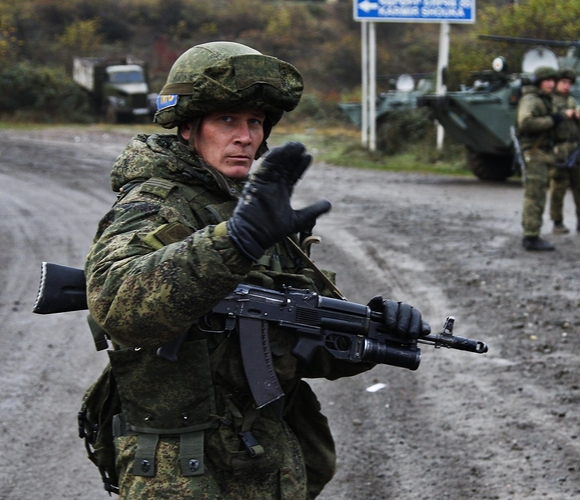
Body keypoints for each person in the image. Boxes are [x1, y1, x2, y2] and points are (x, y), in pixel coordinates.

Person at [83, 41, 429, 499]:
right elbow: (117, 301)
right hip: (180, 471)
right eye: (228, 120)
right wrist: (237, 241)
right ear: (189, 126)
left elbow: (298, 347)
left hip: (264, 457)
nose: (245, 136)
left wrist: (373, 332)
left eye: (254, 122)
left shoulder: (249, 210)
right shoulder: (153, 204)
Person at [516, 65, 564, 251]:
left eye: (553, 80)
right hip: (534, 152)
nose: (551, 84)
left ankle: (532, 233)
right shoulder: (531, 100)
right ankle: (530, 236)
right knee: (534, 195)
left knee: (538, 194)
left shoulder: (544, 100)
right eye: (547, 80)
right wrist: (552, 120)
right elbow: (526, 122)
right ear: (539, 82)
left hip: (541, 152)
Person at [549, 68, 580, 234]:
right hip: (560, 148)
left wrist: (578, 115)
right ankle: (557, 221)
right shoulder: (551, 101)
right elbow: (548, 120)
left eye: (569, 83)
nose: (566, 86)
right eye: (563, 82)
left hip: (575, 148)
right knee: (558, 187)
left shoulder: (572, 100)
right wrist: (563, 114)